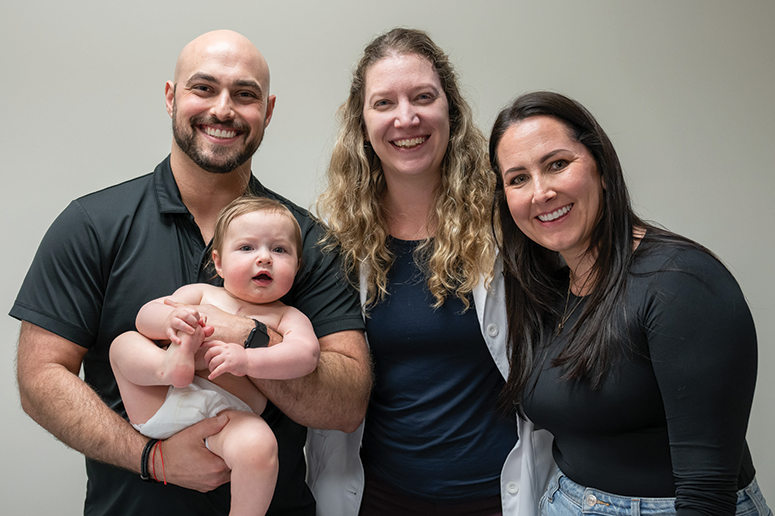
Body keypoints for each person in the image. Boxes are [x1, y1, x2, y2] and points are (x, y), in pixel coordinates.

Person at [10, 29, 370, 516]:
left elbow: (346, 404)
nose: (223, 109)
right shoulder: (92, 225)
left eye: (245, 94)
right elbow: (40, 377)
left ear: (267, 111)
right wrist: (151, 459)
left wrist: (242, 336)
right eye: (204, 88)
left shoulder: (307, 243)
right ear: (170, 96)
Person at [489, 91, 771, 516]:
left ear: (601, 168)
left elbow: (707, 494)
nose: (540, 192)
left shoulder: (681, 282)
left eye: (557, 164)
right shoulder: (545, 288)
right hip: (566, 500)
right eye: (518, 178)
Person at [311, 28, 555, 516]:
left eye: (423, 97)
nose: (407, 117)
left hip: (498, 496)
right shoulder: (335, 243)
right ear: (362, 122)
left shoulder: (510, 219)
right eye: (384, 103)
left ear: (452, 110)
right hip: (379, 497)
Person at [111, 197, 320, 515]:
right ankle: (166, 366)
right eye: (247, 248)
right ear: (219, 263)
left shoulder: (286, 316)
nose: (264, 258)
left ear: (297, 265)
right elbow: (146, 316)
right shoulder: (201, 293)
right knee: (123, 344)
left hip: (227, 417)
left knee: (260, 446)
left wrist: (249, 360)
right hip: (162, 397)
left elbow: (306, 356)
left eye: (279, 250)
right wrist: (170, 321)